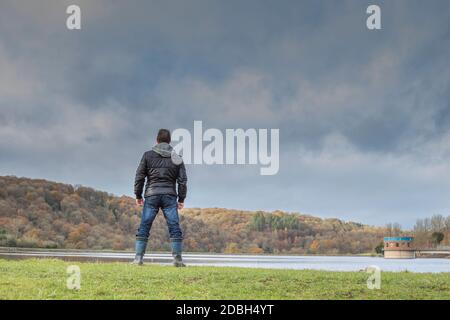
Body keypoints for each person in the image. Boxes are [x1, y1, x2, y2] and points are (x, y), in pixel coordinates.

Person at [131, 129, 187, 267]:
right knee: (174, 226)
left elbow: (139, 177)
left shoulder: (147, 156)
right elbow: (182, 181)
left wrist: (138, 195)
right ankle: (177, 260)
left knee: (145, 225)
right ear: (169, 141)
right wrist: (181, 199)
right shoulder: (177, 158)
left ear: (157, 140)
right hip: (169, 196)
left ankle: (138, 259)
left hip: (152, 194)